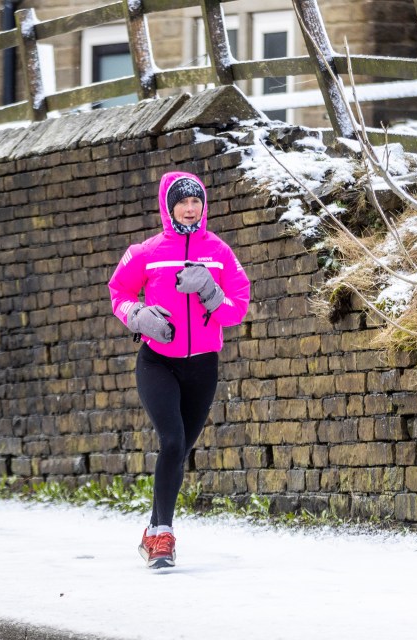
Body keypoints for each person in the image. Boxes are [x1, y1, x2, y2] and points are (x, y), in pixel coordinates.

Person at [108, 171, 251, 569]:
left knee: (181, 449)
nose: (190, 208)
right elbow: (118, 293)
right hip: (158, 363)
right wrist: (137, 315)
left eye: (196, 202)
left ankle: (153, 528)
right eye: (183, 202)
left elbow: (237, 309)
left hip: (202, 365)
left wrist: (210, 291)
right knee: (172, 441)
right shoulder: (146, 252)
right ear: (169, 206)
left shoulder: (219, 252)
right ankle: (164, 538)